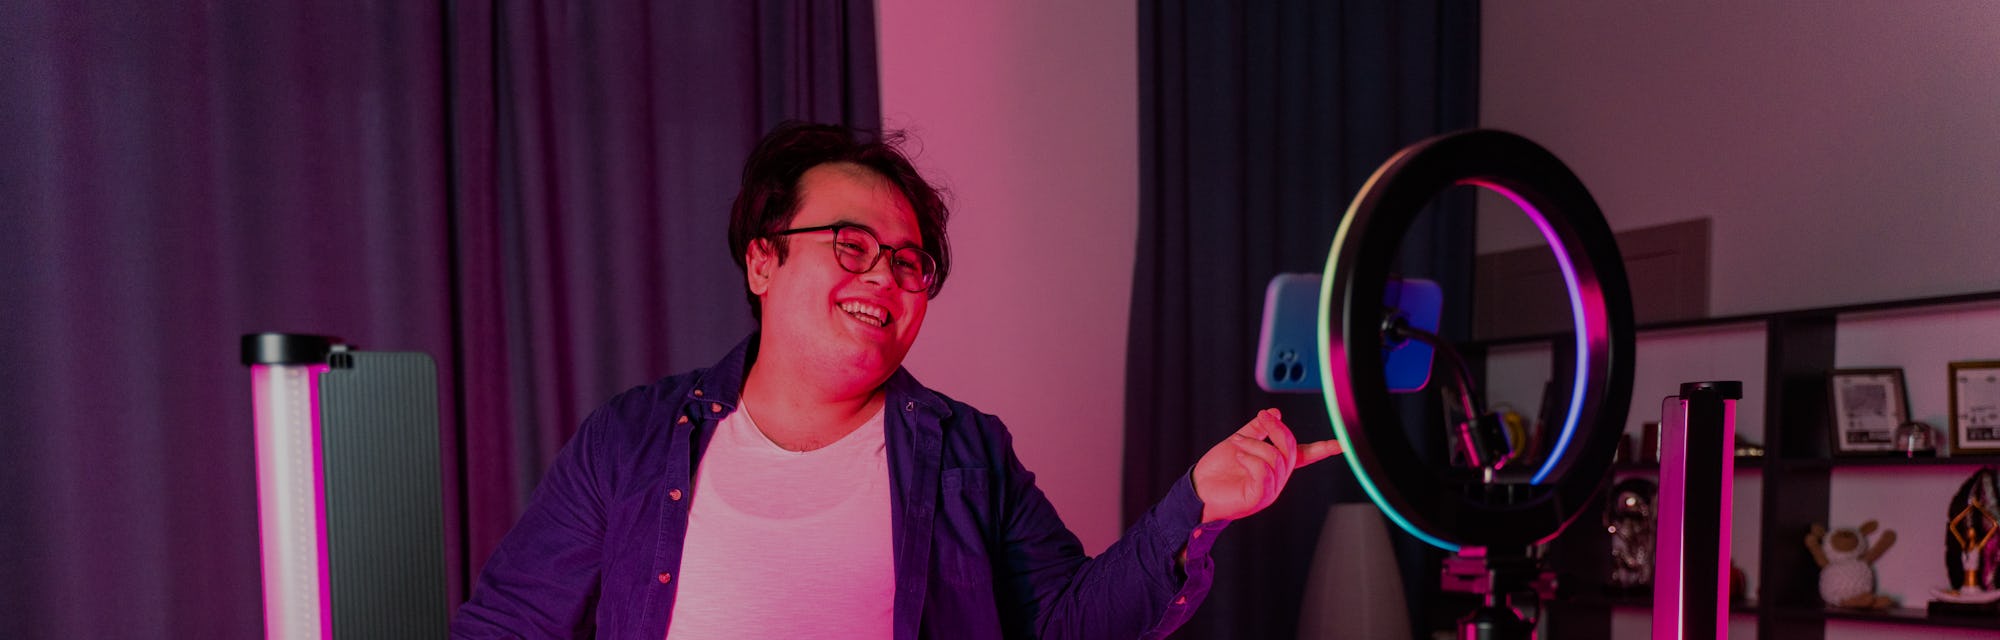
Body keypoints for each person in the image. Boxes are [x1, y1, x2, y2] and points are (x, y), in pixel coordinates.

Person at [450, 122, 1342, 639]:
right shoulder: (632, 441)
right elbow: (508, 628)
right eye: (852, 246)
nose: (884, 275)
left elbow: (1069, 624)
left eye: (910, 262)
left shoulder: (967, 453)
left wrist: (1197, 507)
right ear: (762, 261)